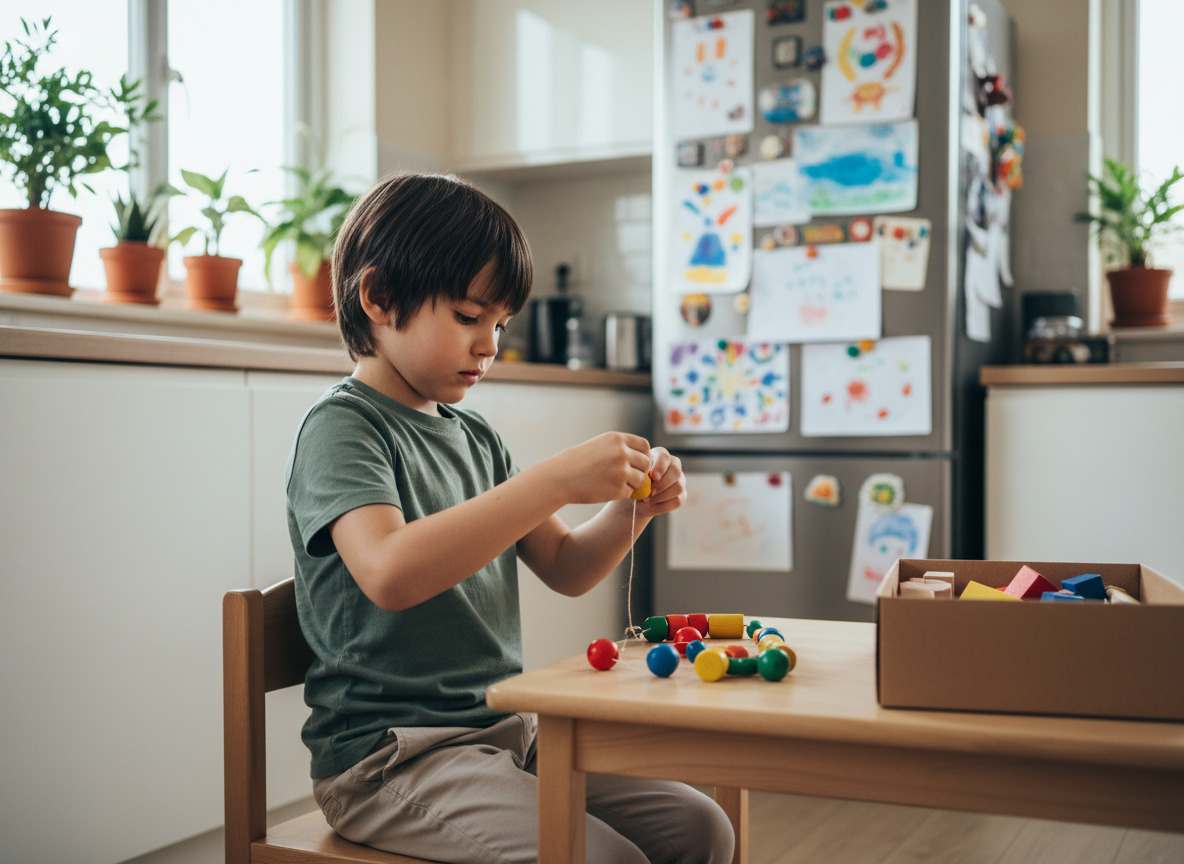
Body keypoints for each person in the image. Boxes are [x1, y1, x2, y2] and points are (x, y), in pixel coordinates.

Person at [285, 172, 735, 864]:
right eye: (469, 318)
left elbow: (566, 567)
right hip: (390, 762)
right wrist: (553, 479)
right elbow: (390, 573)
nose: (489, 345)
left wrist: (630, 511)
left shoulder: (474, 437)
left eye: (499, 324)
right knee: (606, 860)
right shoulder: (343, 430)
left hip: (506, 735)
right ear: (377, 298)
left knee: (702, 828)